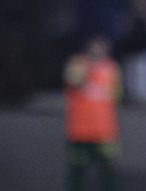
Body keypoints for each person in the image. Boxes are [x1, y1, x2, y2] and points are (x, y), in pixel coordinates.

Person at [63, 35, 122, 191]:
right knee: (78, 169)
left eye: (102, 46)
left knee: (108, 168)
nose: (98, 49)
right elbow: (73, 82)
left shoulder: (111, 67)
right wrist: (90, 67)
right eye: (96, 45)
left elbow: (116, 95)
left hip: (104, 130)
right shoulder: (77, 63)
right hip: (79, 131)